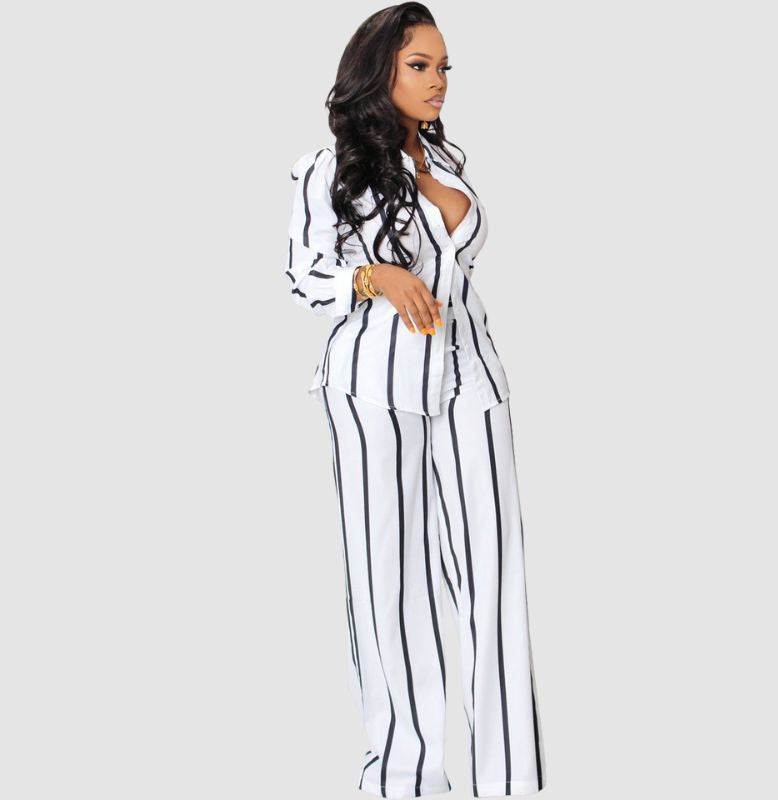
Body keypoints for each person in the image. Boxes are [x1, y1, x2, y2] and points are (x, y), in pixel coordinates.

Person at [284, 4, 546, 797]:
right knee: (390, 584)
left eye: (444, 68)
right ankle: (405, 781)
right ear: (379, 72)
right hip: (374, 389)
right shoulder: (327, 169)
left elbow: (459, 258)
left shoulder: (447, 165)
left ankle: (509, 783)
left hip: (472, 383)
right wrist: (373, 277)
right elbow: (303, 275)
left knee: (495, 581)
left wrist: (421, 181)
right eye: (420, 66)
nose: (438, 82)